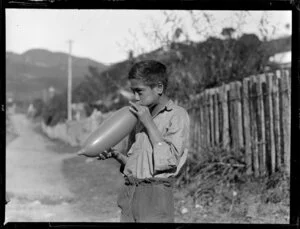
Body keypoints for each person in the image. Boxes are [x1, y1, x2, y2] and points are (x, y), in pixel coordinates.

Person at [98, 60, 190, 222]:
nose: (135, 97)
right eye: (133, 92)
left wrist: (148, 123)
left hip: (156, 197)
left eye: (139, 91)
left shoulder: (176, 115)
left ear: (159, 88)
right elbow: (139, 166)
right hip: (130, 193)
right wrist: (118, 156)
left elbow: (169, 162)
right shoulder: (138, 118)